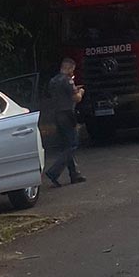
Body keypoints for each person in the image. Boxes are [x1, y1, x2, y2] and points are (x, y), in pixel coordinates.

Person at [44, 58, 86, 187]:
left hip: (56, 115)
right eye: (72, 70)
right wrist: (81, 92)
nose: (72, 73)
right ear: (69, 68)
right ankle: (54, 172)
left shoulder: (53, 81)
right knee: (72, 145)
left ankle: (74, 174)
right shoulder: (67, 80)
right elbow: (76, 98)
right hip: (67, 114)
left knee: (66, 144)